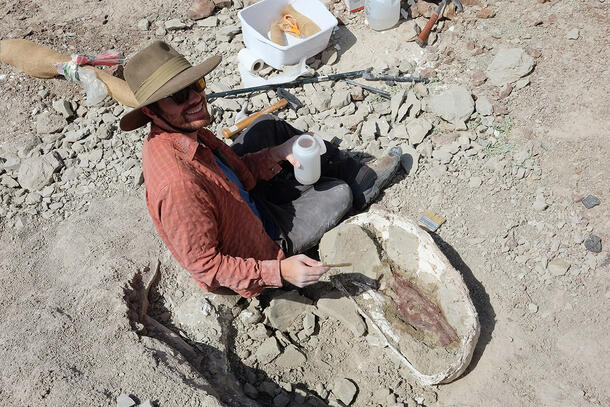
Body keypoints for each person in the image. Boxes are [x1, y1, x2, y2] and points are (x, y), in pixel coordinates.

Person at [120, 41, 401, 298]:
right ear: (150, 112)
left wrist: (277, 153)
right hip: (260, 244)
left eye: (197, 84)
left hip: (241, 204)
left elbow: (231, 174)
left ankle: (358, 178)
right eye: (179, 95)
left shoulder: (183, 132)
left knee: (268, 126)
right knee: (338, 193)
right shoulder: (179, 184)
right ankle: (347, 188)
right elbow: (205, 267)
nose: (195, 98)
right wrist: (279, 272)